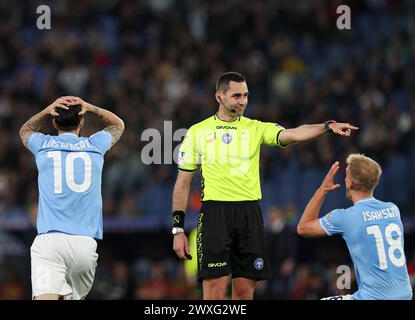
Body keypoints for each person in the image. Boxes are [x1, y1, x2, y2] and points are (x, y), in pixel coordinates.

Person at [171, 71, 358, 300]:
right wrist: (178, 229)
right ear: (219, 96)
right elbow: (182, 183)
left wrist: (327, 126)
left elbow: (294, 134)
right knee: (215, 292)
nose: (243, 102)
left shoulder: (256, 128)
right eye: (236, 96)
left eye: (246, 95)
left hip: (249, 214)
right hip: (214, 215)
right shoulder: (197, 132)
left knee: (244, 292)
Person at [19, 96, 124, 300]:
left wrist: (46, 110)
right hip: (84, 244)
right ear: (82, 122)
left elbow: (25, 131)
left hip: (50, 241)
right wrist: (90, 107)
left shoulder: (43, 144)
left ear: (54, 121)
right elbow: (117, 125)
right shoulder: (95, 145)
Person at [297, 154, 413, 300]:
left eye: (346, 176)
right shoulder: (393, 209)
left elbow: (303, 228)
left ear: (350, 183)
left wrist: (322, 190)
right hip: (405, 295)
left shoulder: (346, 217)